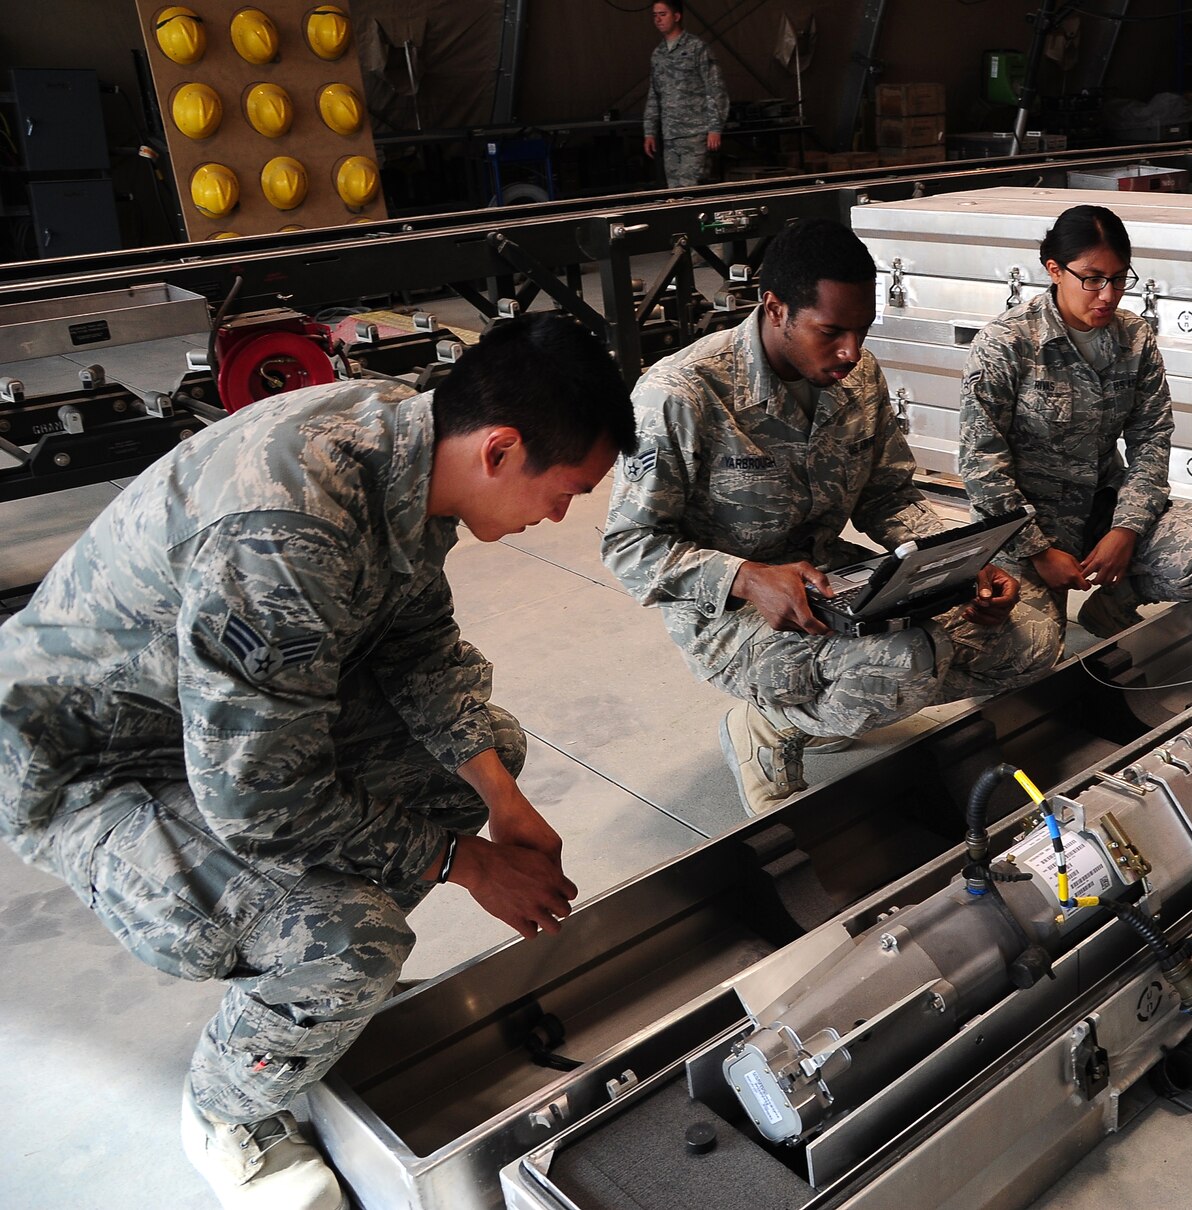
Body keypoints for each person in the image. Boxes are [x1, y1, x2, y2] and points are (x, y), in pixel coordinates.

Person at [0, 313, 637, 1210]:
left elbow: (417, 646)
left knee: (483, 748)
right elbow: (258, 798)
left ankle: (316, 991)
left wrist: (502, 802)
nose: (557, 518)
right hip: (92, 769)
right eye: (564, 492)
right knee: (349, 939)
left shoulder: (404, 442)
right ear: (500, 449)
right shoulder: (289, 529)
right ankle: (231, 1111)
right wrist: (466, 864)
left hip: (208, 723)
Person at [603, 217, 1063, 815]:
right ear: (774, 309)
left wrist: (960, 564)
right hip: (731, 614)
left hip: (836, 584)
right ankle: (769, 728)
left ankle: (831, 699)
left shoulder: (857, 377)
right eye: (831, 331)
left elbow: (890, 498)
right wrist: (747, 576)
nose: (851, 352)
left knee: (1030, 630)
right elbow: (628, 545)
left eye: (862, 331)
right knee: (905, 661)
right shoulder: (681, 394)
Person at [957, 204, 1192, 641]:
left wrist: (1126, 529)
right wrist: (1039, 550)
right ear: (1054, 270)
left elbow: (1151, 439)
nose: (1107, 295)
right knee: (1031, 646)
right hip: (1023, 528)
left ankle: (1113, 607)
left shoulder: (1134, 337)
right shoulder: (1006, 344)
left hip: (1104, 509)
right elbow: (982, 465)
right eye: (1092, 279)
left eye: (1119, 278)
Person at [641, 0, 728, 189]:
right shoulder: (658, 54)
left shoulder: (697, 48)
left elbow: (715, 89)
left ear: (677, 16)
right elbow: (654, 95)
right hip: (670, 134)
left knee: (689, 187)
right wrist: (649, 131)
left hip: (695, 132)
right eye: (655, 15)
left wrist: (715, 128)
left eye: (663, 14)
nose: (658, 19)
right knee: (674, 190)